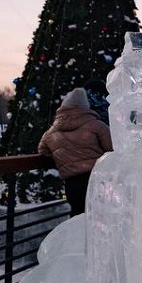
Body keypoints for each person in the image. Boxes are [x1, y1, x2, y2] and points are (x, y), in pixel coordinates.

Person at [37, 87, 113, 216]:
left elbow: (42, 151)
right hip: (96, 178)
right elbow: (112, 148)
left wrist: (64, 159)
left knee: (77, 215)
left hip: (72, 182)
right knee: (100, 216)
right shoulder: (96, 125)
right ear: (85, 106)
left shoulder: (51, 132)